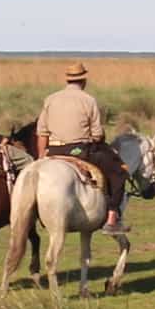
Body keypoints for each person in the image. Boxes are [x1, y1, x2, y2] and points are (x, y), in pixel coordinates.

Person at [35, 60, 129, 232]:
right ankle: (112, 218)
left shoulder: (50, 99)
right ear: (83, 80)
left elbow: (42, 133)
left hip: (53, 151)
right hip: (79, 151)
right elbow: (97, 134)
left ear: (67, 80)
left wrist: (41, 157)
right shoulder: (88, 100)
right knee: (119, 171)